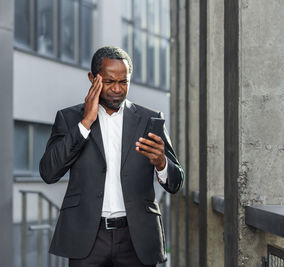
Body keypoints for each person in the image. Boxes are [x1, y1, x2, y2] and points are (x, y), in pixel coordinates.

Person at [39, 46, 184, 267]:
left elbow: (176, 182)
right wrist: (85, 123)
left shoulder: (150, 119)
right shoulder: (69, 119)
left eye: (123, 82)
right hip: (88, 238)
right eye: (109, 82)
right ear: (92, 78)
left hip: (136, 239)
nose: (117, 89)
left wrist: (161, 163)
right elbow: (49, 172)